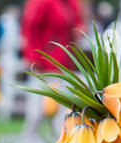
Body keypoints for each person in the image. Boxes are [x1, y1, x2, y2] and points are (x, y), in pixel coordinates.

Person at [20, 0, 85, 133]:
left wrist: (79, 30)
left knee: (63, 106)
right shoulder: (41, 2)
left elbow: (76, 23)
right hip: (45, 63)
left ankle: (59, 140)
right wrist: (33, 57)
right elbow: (30, 28)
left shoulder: (70, 3)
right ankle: (30, 140)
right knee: (38, 108)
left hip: (64, 62)